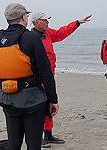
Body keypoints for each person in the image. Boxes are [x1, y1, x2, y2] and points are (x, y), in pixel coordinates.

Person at [0, 3, 59, 150]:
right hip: (33, 100)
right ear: (23, 17)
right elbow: (46, 72)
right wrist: (53, 99)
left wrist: (1, 94)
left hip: (8, 99)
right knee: (33, 144)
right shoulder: (31, 38)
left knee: (13, 143)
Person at [30, 11, 91, 147]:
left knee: (50, 106)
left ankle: (49, 134)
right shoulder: (30, 37)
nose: (47, 22)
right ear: (36, 22)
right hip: (37, 79)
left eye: (47, 20)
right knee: (38, 108)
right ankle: (37, 137)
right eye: (44, 20)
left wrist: (76, 23)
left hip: (49, 77)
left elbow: (62, 33)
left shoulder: (48, 33)